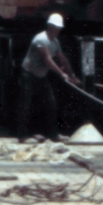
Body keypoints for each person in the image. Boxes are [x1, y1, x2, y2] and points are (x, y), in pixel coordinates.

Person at [17, 11, 76, 141]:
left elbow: (62, 58)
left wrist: (72, 75)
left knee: (51, 104)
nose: (58, 30)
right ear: (50, 27)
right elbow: (47, 60)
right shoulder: (41, 39)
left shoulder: (54, 41)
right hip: (29, 75)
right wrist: (62, 74)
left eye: (59, 28)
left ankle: (53, 134)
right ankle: (22, 136)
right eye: (56, 27)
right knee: (26, 105)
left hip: (41, 76)